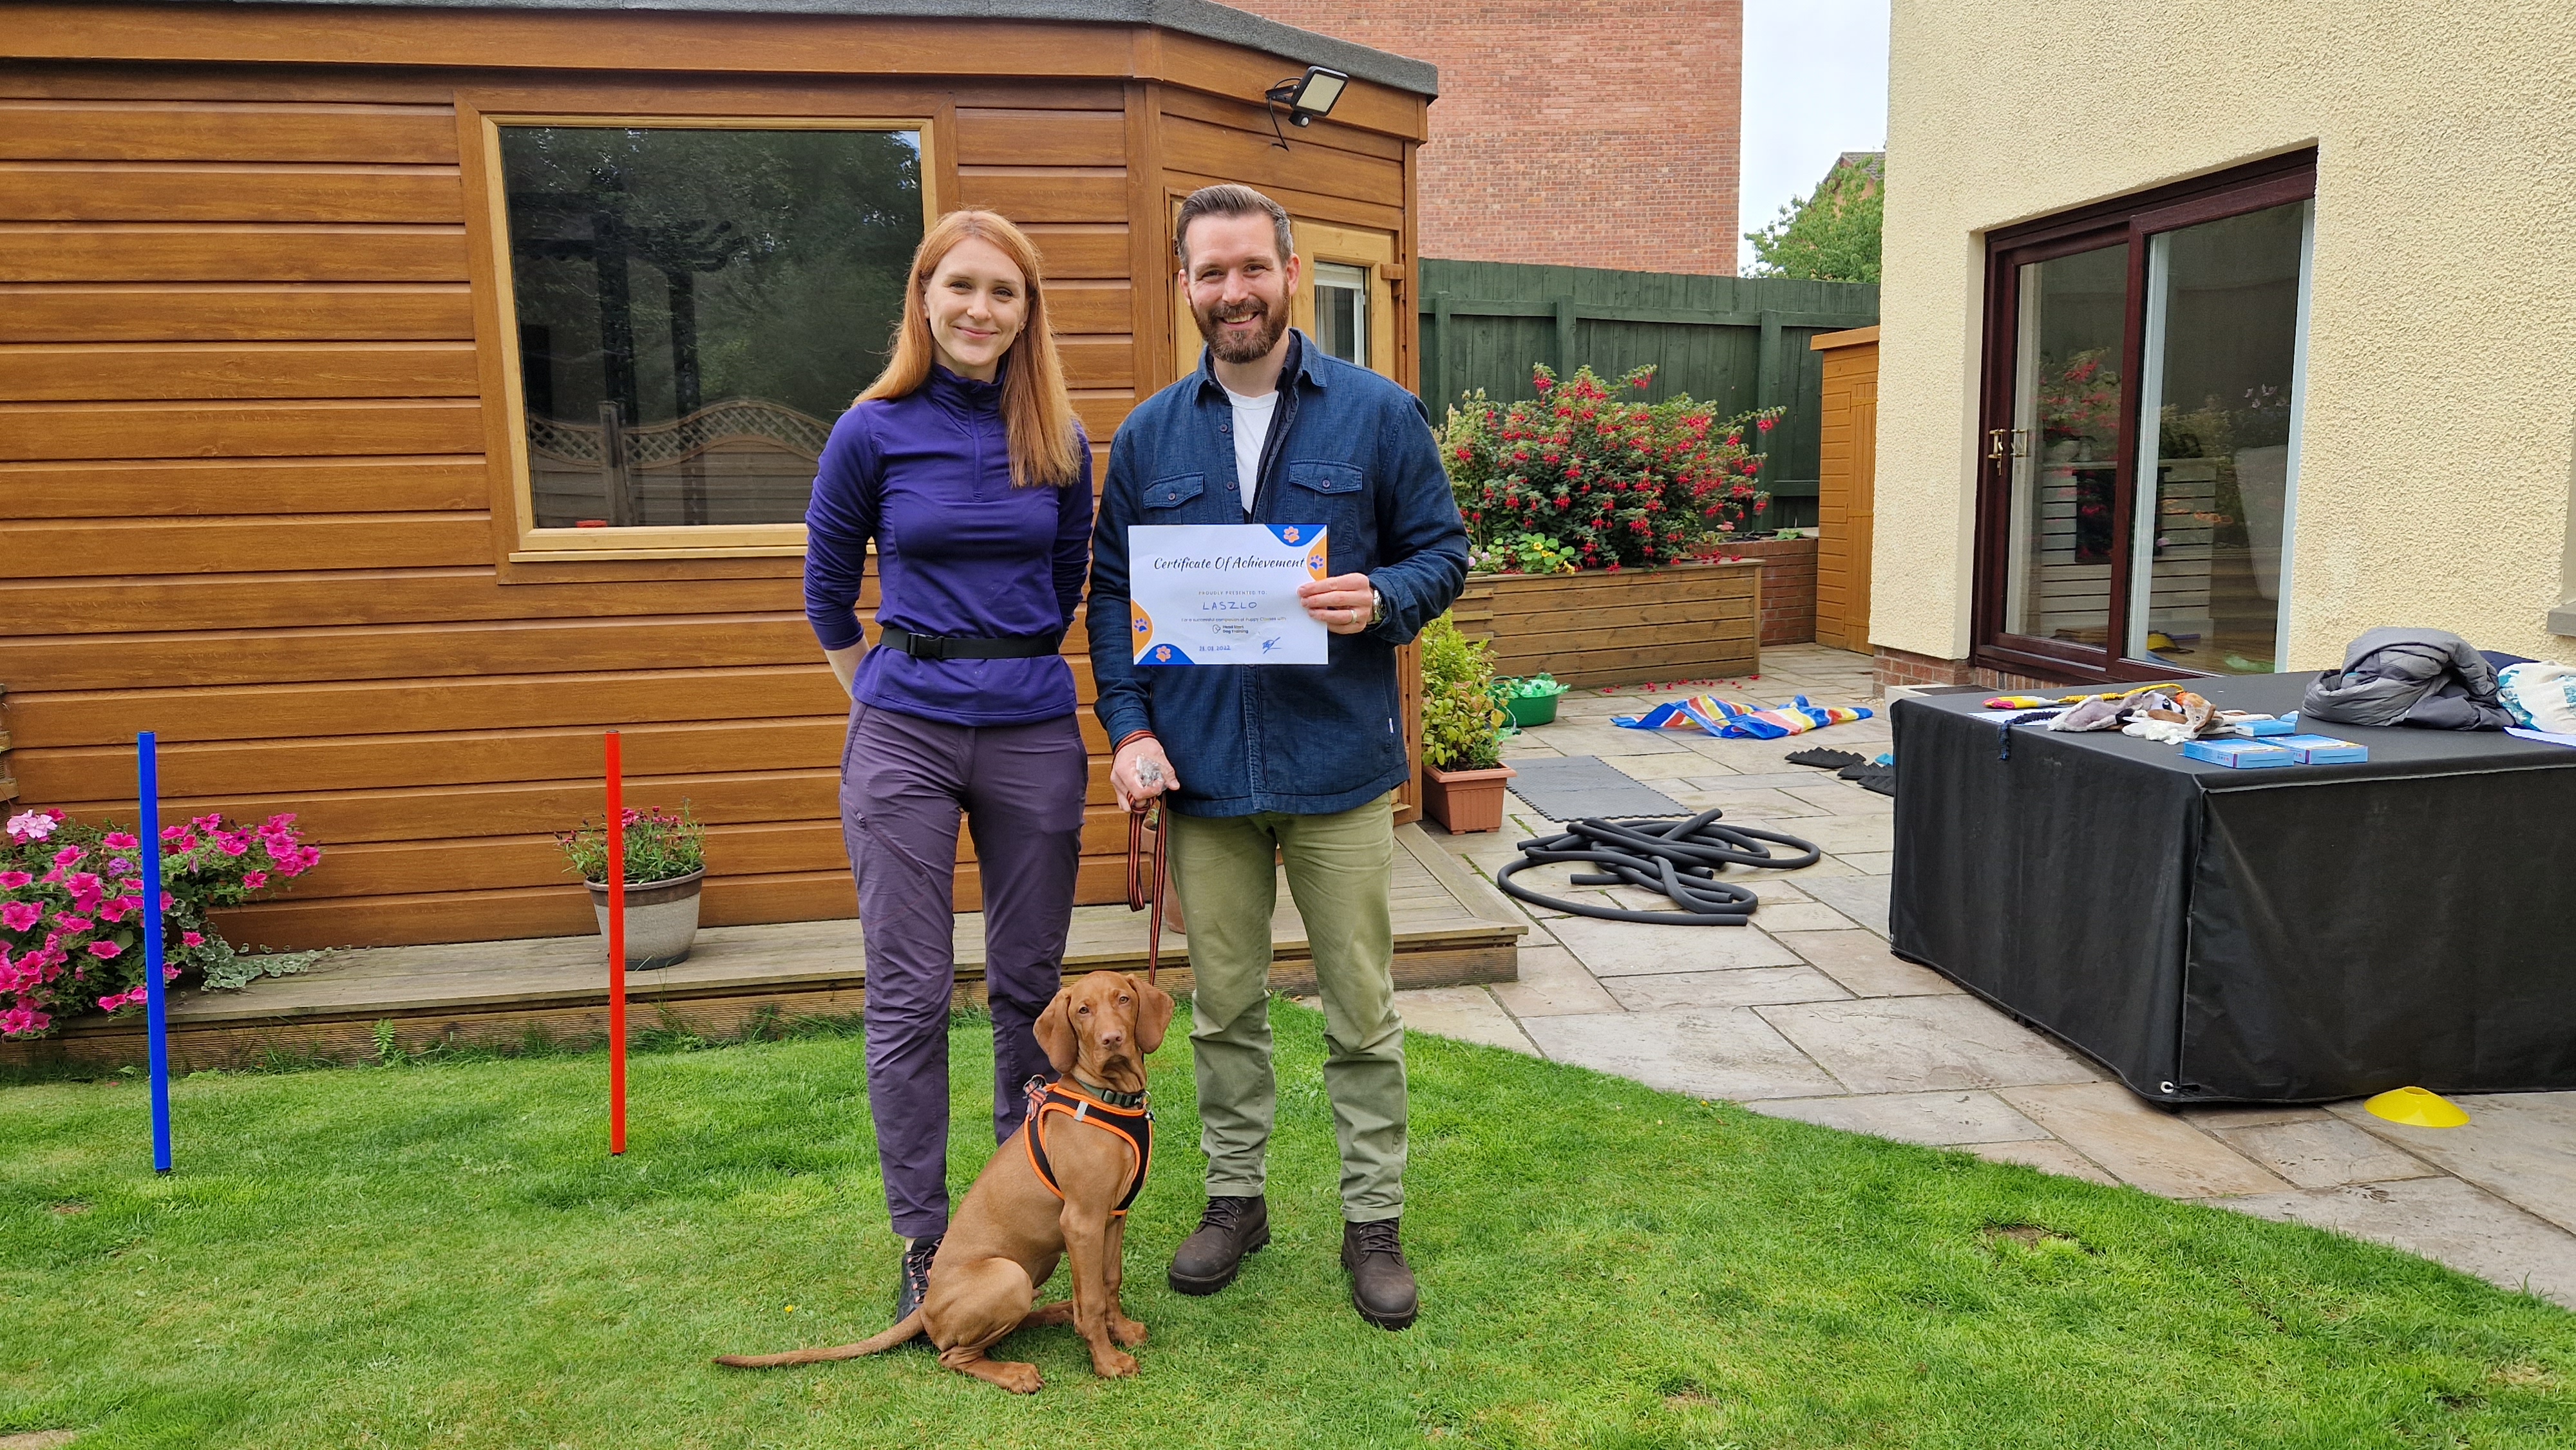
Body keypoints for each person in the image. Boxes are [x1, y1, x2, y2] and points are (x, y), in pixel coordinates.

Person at [1086, 184, 1470, 1330]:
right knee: (1222, 1012)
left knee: (1360, 1009)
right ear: (1187, 286)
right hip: (1201, 779)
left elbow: (1443, 555)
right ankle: (1237, 1202)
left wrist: (1384, 598)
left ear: (1290, 274)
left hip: (1338, 769)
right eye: (1210, 273)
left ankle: (1373, 1223)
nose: (1232, 291)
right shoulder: (1153, 435)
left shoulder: (1377, 414)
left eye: (1251, 268)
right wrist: (1131, 727)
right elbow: (1114, 595)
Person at [803, 209, 1094, 1328]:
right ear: (925, 298)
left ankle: (1015, 1208)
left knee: (1031, 991)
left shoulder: (1060, 440)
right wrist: (881, 698)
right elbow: (828, 594)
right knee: (911, 995)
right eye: (962, 286)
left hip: (1029, 728)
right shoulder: (870, 430)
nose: (981, 309)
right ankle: (926, 1239)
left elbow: (1067, 582)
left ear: (1028, 314)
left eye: (1004, 293)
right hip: (904, 734)